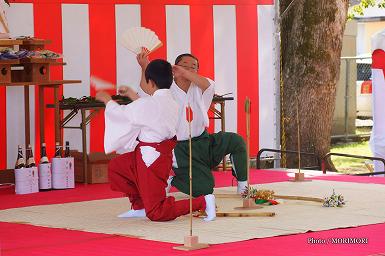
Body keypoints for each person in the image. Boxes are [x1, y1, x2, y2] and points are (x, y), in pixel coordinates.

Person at [96, 56, 216, 222]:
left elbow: (127, 114)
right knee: (118, 167)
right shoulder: (170, 100)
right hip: (151, 154)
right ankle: (140, 207)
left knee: (157, 212)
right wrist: (132, 93)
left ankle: (202, 202)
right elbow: (148, 110)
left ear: (151, 82)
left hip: (151, 159)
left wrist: (108, 101)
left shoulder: (152, 103)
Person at [121, 53, 248, 198]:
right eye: (184, 66)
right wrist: (145, 67)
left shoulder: (200, 86)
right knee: (204, 189)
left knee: (236, 141)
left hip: (204, 142)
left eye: (193, 67)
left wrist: (185, 72)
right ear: (174, 70)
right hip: (180, 148)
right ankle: (171, 176)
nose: (188, 69)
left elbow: (208, 84)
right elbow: (145, 91)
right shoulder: (165, 89)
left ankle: (243, 186)